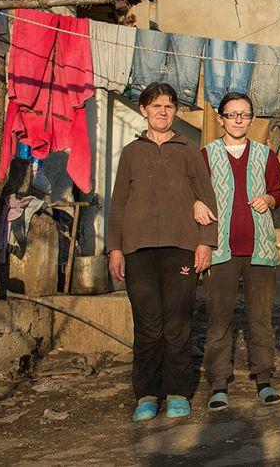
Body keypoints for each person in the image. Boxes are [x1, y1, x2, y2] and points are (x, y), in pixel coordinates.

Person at [106, 82, 218, 422]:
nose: (163, 111)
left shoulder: (188, 149)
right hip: (137, 250)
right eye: (156, 106)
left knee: (178, 323)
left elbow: (207, 198)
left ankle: (178, 392)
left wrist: (205, 242)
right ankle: (146, 394)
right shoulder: (131, 152)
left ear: (175, 111)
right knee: (148, 325)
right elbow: (118, 204)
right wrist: (114, 249)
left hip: (181, 247)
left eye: (169, 106)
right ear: (144, 110)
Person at [193, 92, 280, 411]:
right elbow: (197, 195)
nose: (237, 121)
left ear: (251, 120)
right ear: (221, 119)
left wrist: (270, 200)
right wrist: (197, 205)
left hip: (259, 249)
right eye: (231, 115)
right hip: (221, 250)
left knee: (260, 317)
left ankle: (264, 379)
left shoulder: (265, 154)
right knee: (219, 318)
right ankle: (219, 382)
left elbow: (277, 193)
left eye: (244, 115)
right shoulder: (206, 154)